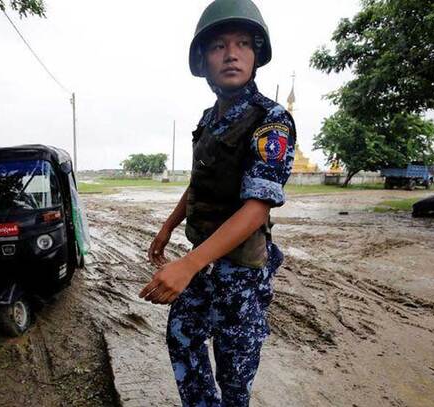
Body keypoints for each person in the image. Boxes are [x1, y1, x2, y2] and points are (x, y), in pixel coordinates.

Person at [138, 0, 296, 405]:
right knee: (182, 337)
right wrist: (168, 226)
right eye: (218, 46)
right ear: (203, 61)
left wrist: (186, 266)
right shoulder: (210, 119)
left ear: (256, 55)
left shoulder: (271, 119)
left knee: (234, 376)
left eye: (243, 43)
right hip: (204, 263)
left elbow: (257, 207)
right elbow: (199, 182)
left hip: (242, 274)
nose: (231, 54)